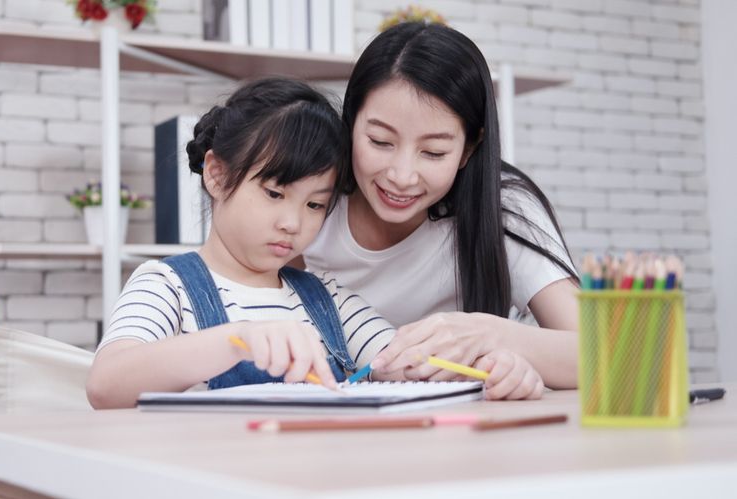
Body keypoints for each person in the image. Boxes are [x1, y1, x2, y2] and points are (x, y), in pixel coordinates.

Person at [86, 78, 405, 409]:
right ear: (217, 175)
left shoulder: (328, 300)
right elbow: (104, 385)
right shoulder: (167, 287)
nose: (292, 223)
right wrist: (236, 341)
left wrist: (423, 354)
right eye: (274, 193)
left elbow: (399, 359)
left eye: (315, 205)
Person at [303, 22, 580, 399]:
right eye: (380, 141)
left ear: (468, 148)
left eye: (433, 152)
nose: (401, 176)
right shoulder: (310, 199)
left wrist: (492, 335)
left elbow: (610, 358)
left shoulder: (503, 209)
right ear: (351, 124)